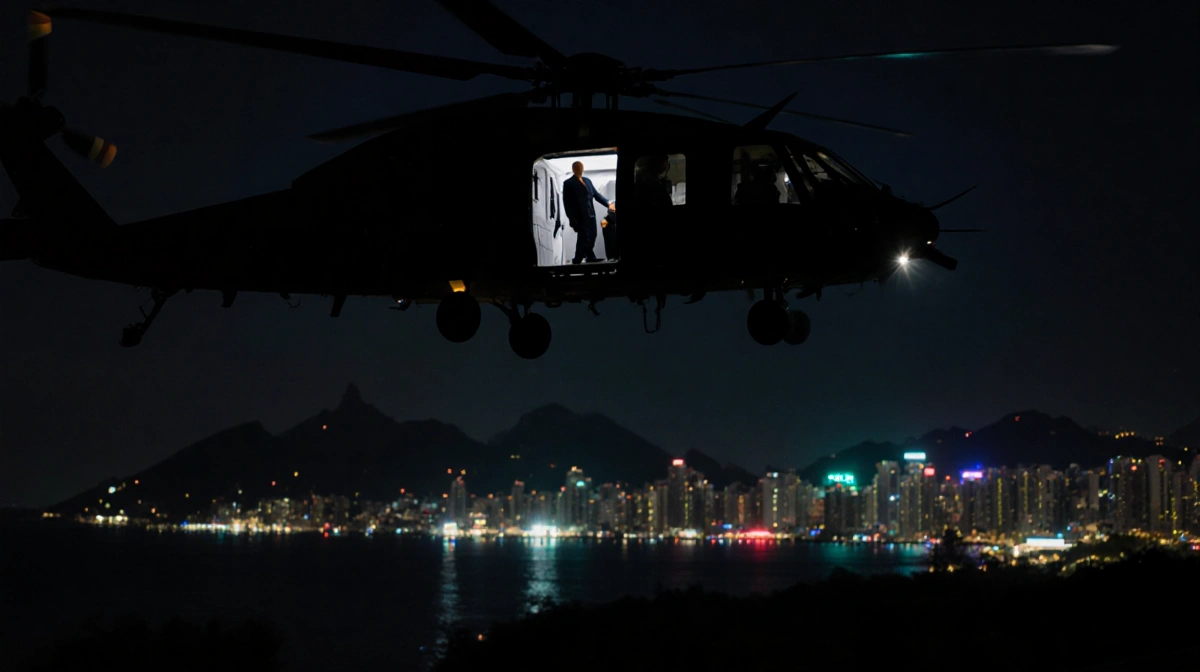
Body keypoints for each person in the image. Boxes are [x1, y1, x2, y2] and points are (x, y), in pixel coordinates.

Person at [562, 161, 614, 264]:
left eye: (580, 167)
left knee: (592, 236)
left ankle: (587, 257)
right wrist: (571, 219)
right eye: (577, 167)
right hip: (580, 217)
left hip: (591, 215)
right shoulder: (568, 183)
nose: (579, 169)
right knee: (584, 238)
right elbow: (567, 204)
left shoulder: (587, 181)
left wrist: (608, 203)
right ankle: (578, 259)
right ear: (573, 169)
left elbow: (596, 195)